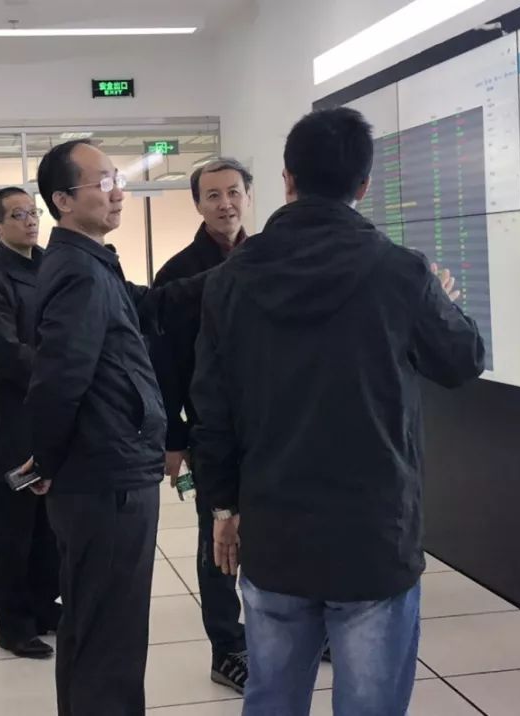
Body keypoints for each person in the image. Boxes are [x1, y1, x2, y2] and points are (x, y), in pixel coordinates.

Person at [190, 107, 485, 716]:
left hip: (274, 527)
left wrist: (222, 507)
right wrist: (442, 299)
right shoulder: (400, 271)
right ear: (364, 185)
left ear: (287, 180)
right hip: (373, 532)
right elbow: (462, 360)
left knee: (272, 696)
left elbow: (211, 408)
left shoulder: (229, 279)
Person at [26, 139, 209, 716]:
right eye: (102, 183)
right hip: (105, 474)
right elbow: (58, 379)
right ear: (62, 200)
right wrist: (46, 461)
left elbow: (150, 304)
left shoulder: (91, 262)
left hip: (107, 465)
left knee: (97, 625)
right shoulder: (78, 272)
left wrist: (233, 273)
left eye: (117, 180)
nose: (117, 193)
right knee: (111, 634)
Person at [149, 158, 253, 693]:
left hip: (274, 425)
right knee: (218, 539)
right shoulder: (177, 273)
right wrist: (172, 437)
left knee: (280, 532)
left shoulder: (268, 259)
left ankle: (292, 629)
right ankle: (226, 646)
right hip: (211, 428)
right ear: (197, 204)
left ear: (248, 196)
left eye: (233, 192)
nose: (224, 203)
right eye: (212, 195)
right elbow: (164, 365)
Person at [0, 187, 59, 660]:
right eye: (18, 215)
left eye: (33, 212)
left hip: (52, 414)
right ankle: (14, 625)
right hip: (14, 420)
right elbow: (6, 352)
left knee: (49, 528)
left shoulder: (51, 265)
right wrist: (64, 369)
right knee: (14, 531)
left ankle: (44, 607)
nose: (30, 221)